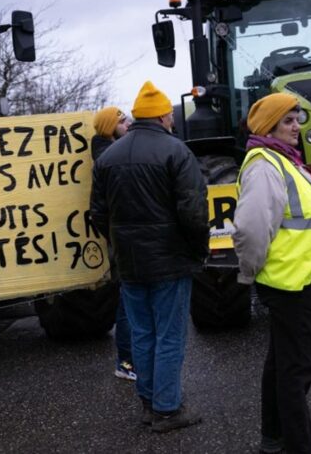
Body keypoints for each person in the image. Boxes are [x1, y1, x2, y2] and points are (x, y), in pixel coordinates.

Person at [90, 81, 209, 433]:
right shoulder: (176, 151)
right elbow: (193, 211)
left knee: (142, 334)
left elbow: (97, 213)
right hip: (170, 261)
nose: (172, 120)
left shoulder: (108, 157)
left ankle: (149, 403)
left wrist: (117, 244)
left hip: (129, 263)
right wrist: (198, 249)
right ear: (161, 116)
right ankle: (168, 410)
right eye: (169, 115)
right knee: (170, 335)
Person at [233, 92, 311, 454]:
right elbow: (250, 230)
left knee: (281, 364)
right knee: (298, 369)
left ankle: (274, 438)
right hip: (290, 283)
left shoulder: (282, 160)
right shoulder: (265, 165)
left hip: (297, 279)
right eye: (288, 121)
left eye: (298, 119)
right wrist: (250, 272)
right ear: (269, 126)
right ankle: (301, 446)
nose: (297, 126)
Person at [91, 106, 136, 381]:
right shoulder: (108, 158)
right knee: (128, 303)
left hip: (119, 237)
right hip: (121, 239)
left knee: (129, 300)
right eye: (122, 121)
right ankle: (127, 363)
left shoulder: (106, 153)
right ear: (110, 126)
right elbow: (100, 209)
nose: (128, 124)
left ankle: (129, 361)